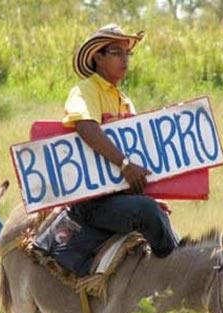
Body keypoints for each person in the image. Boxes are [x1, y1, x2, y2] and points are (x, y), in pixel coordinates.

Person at [50, 24, 179, 275]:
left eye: (127, 53)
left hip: (120, 196)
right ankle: (175, 275)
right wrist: (124, 164)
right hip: (93, 202)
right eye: (117, 52)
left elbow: (139, 152)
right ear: (98, 57)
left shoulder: (125, 100)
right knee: (148, 212)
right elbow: (86, 126)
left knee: (158, 212)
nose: (125, 59)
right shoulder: (85, 90)